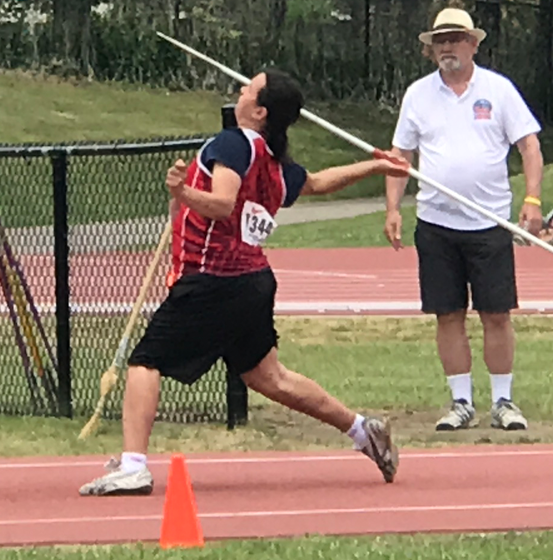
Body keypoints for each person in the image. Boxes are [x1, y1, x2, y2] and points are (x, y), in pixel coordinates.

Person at [79, 68, 407, 497]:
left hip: (213, 279)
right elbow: (318, 183)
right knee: (268, 377)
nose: (239, 90)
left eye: (247, 88)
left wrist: (181, 193)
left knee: (146, 361)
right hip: (251, 282)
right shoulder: (273, 163)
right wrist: (376, 165)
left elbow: (221, 205)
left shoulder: (232, 143)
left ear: (259, 110)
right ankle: (364, 430)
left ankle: (133, 466)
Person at [382, 7, 543, 432]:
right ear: (431, 49)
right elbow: (402, 156)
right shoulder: (417, 94)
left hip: (489, 223)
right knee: (448, 314)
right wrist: (393, 207)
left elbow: (528, 145)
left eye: (455, 38)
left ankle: (504, 401)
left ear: (473, 43)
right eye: (440, 40)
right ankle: (461, 402)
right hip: (436, 223)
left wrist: (532, 198)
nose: (447, 47)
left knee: (496, 313)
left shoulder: (499, 90)